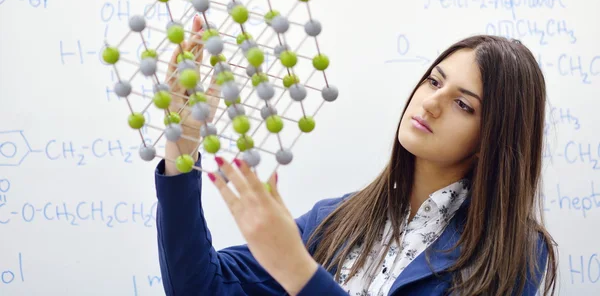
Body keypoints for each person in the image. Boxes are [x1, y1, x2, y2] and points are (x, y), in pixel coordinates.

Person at [153, 15, 558, 295]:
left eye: (463, 105)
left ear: (494, 138)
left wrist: (298, 270)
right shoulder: (336, 220)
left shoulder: (513, 251)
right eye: (434, 81)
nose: (432, 102)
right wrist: (182, 148)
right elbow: (198, 286)